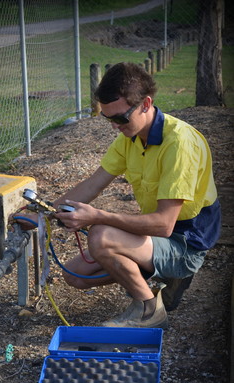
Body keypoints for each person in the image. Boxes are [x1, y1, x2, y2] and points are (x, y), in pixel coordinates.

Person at [16, 62, 221, 329]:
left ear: (146, 104)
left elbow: (163, 224)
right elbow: (93, 183)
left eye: (121, 118)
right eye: (108, 118)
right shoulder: (131, 137)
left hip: (185, 243)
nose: (115, 126)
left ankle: (149, 309)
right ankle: (158, 278)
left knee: (101, 234)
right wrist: (43, 214)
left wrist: (97, 216)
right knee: (75, 275)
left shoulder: (180, 143)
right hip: (160, 235)